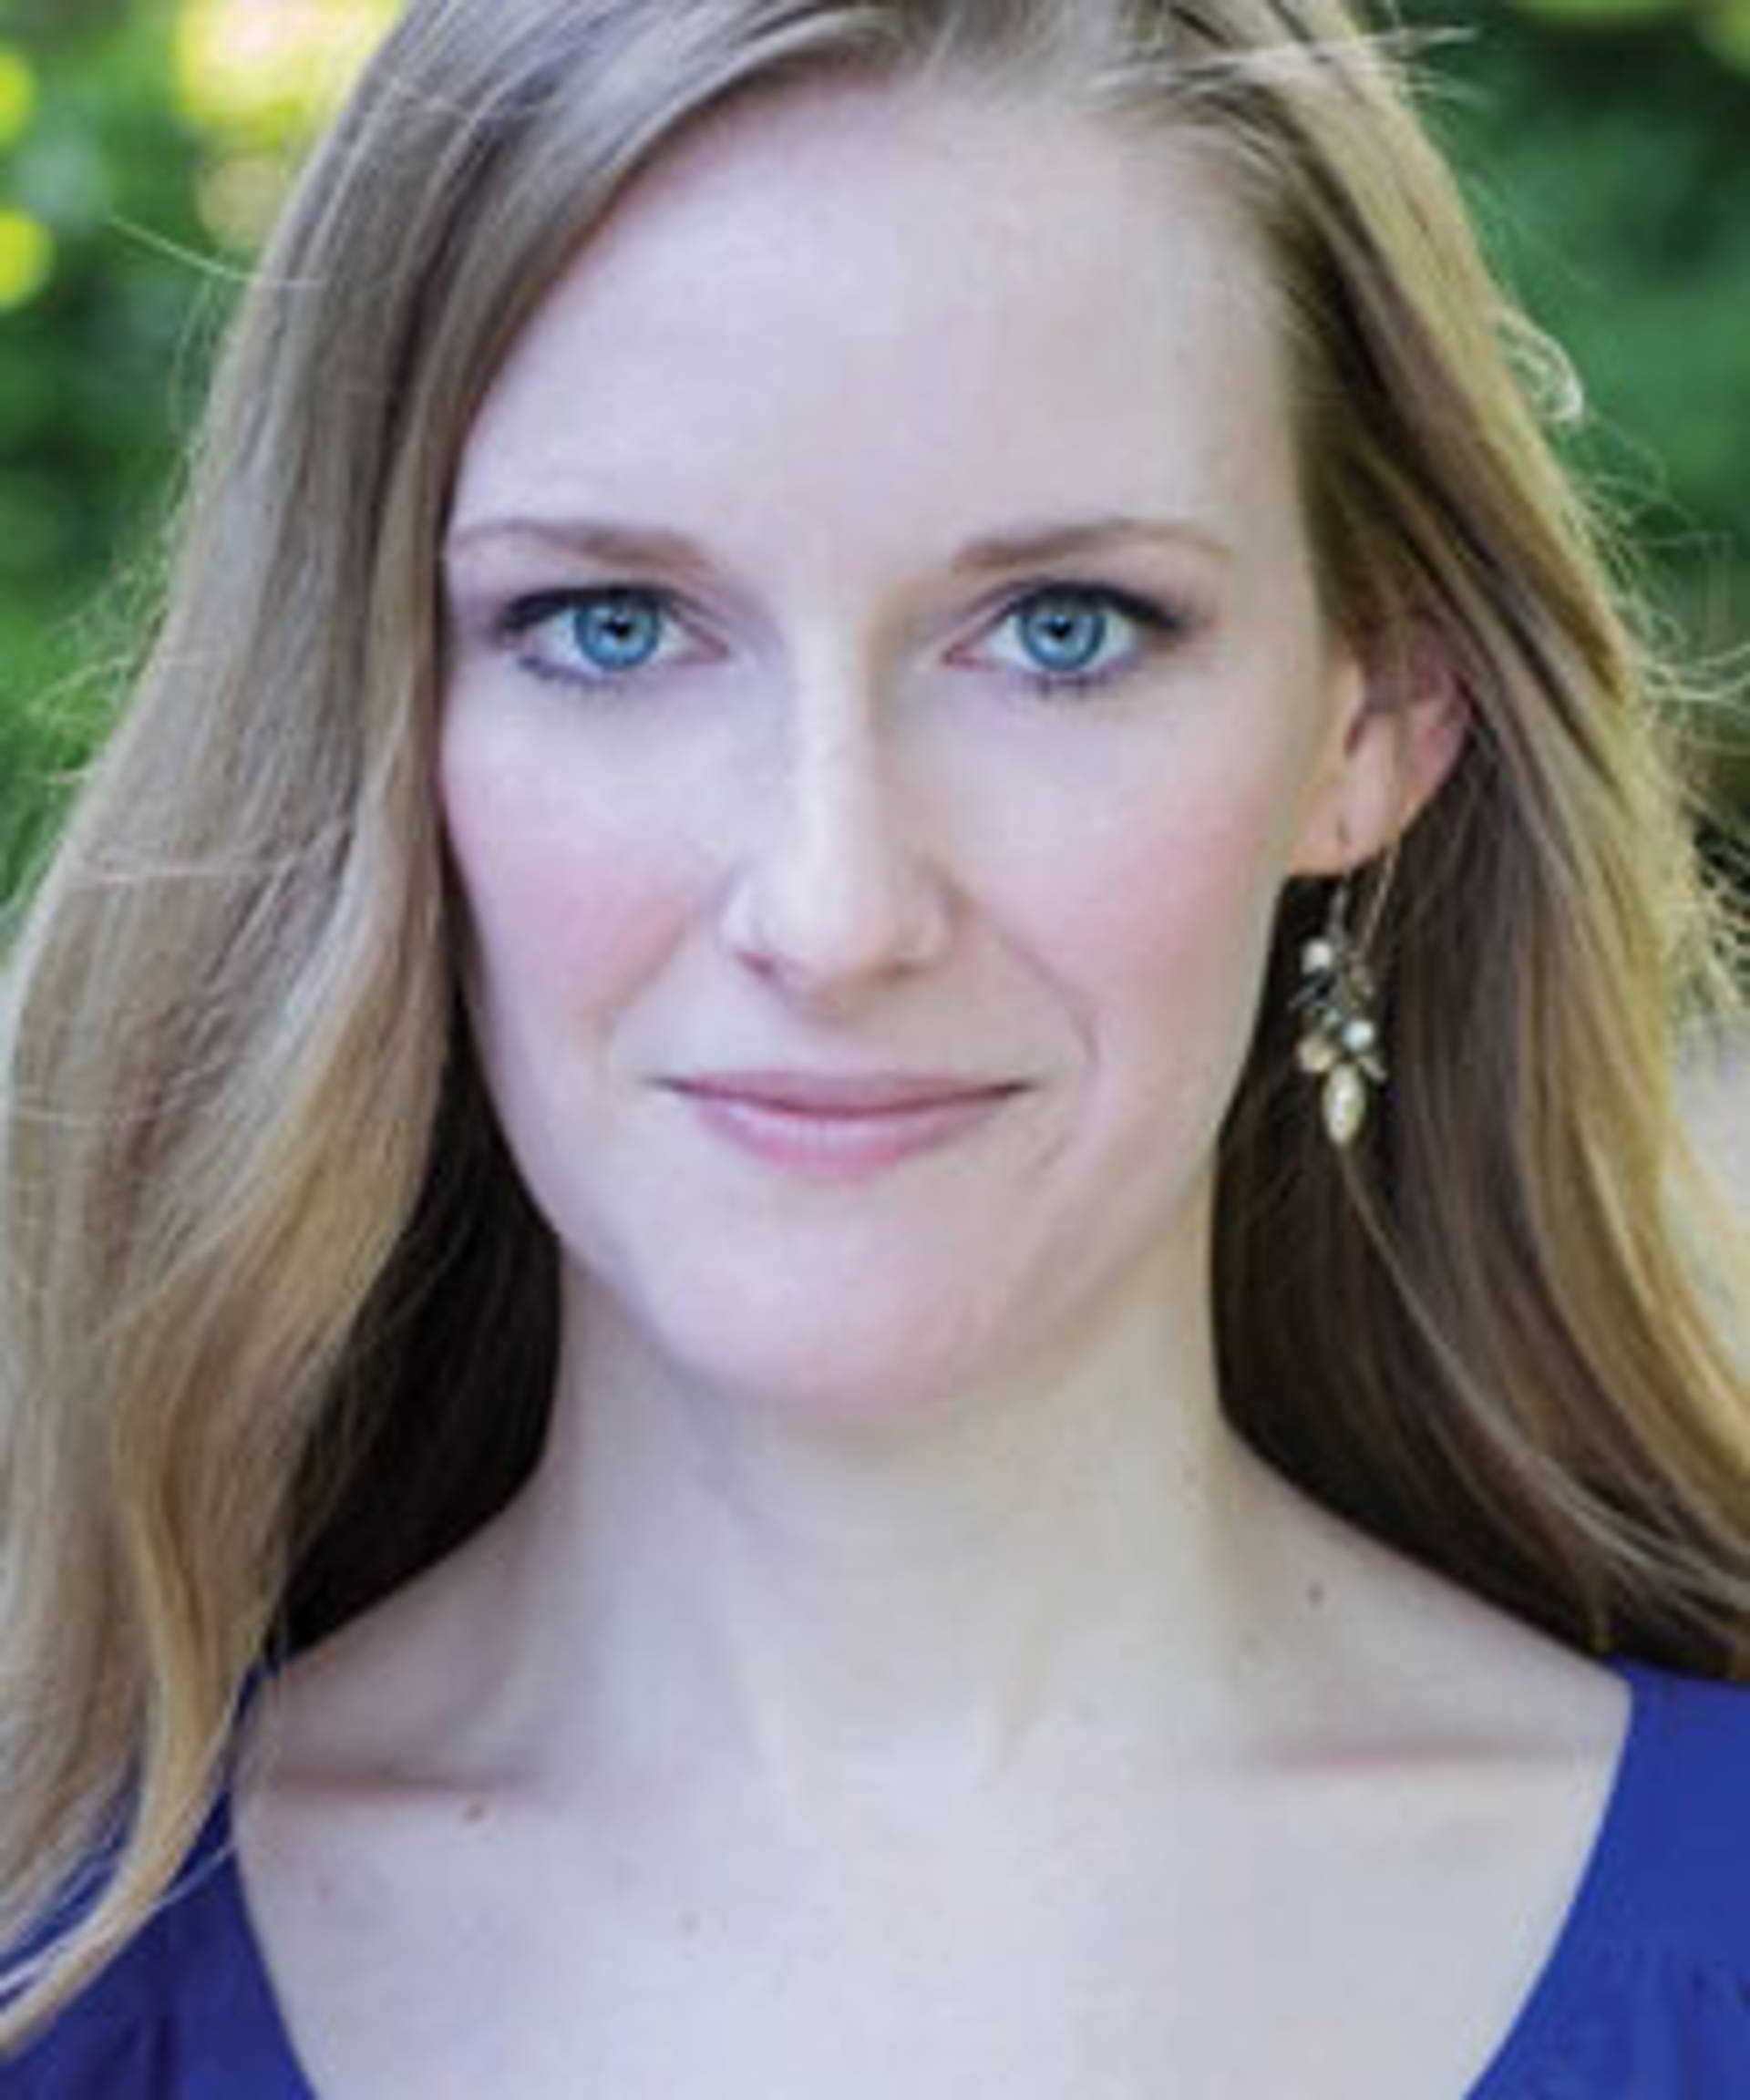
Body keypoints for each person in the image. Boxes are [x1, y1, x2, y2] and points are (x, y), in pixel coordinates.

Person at [3, 0, 1747, 2092]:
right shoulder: (53, 1980)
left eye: (1063, 631)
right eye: (613, 627)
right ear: (380, 728)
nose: (834, 913)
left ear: (1370, 719)